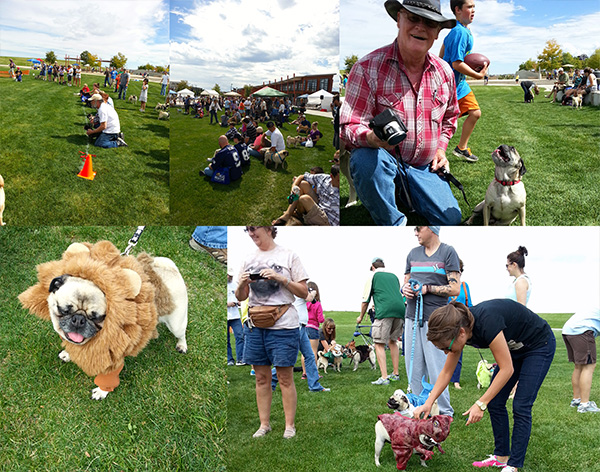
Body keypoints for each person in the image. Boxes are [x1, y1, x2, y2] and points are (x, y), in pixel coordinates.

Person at [340, 0, 461, 226]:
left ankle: (402, 193)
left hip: (425, 167)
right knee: (365, 160)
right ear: (399, 19)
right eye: (413, 18)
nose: (420, 27)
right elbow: (348, 125)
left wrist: (441, 149)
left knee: (451, 219)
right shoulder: (367, 67)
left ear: (437, 33)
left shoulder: (444, 71)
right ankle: (393, 221)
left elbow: (450, 117)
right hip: (386, 161)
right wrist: (370, 138)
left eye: (430, 23)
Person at [414, 299, 556, 472]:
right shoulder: (459, 326)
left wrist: (481, 403)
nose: (446, 352)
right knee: (496, 403)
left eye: (446, 348)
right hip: (515, 348)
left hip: (539, 345)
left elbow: (506, 369)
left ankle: (513, 465)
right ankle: (502, 457)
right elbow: (446, 373)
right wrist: (429, 402)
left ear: (461, 333)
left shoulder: (487, 322)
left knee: (521, 405)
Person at [235, 226, 309, 439]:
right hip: (256, 326)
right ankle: (264, 424)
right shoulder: (248, 258)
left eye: (254, 228)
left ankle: (289, 426)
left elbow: (303, 291)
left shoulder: (289, 255)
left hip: (284, 326)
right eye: (247, 230)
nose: (250, 233)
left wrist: (280, 278)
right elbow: (241, 297)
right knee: (260, 377)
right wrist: (241, 284)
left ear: (269, 228)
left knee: (285, 378)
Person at [401, 226, 460, 415]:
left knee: (436, 369)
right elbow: (406, 280)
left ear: (432, 229)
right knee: (414, 368)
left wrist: (427, 289)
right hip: (411, 317)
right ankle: (419, 408)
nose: (415, 232)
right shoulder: (412, 253)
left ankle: (444, 412)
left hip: (436, 321)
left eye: (419, 228)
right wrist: (405, 289)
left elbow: (454, 289)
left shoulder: (448, 252)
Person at [440, 0, 488, 162]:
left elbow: (443, 47)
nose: (473, 10)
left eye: (474, 7)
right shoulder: (459, 32)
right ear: (457, 10)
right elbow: (456, 63)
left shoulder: (463, 30)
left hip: (459, 84)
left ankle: (461, 148)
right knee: (441, 122)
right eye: (469, 7)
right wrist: (479, 75)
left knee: (475, 113)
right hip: (450, 85)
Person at [356, 257, 405, 385]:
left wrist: (361, 317)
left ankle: (384, 377)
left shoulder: (373, 277)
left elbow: (365, 300)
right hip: (400, 311)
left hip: (384, 311)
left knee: (378, 344)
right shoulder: (394, 276)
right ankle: (395, 373)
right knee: (393, 341)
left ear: (373, 267)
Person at [272, 165, 340, 226]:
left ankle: (294, 216)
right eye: (338, 180)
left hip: (328, 222)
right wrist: (294, 186)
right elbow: (302, 176)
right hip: (320, 208)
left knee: (304, 199)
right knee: (303, 184)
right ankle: (290, 214)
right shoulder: (324, 178)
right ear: (331, 176)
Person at [562, 307, 600, 413]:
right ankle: (584, 405)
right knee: (588, 366)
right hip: (581, 330)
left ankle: (577, 400)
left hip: (569, 330)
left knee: (579, 366)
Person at [448, 258, 473, 389]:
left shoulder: (464, 286)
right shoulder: (443, 287)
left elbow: (470, 304)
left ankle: (455, 380)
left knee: (458, 351)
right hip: (446, 323)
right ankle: (441, 378)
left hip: (460, 323)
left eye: (459, 271)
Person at [227, 267, 245, 366]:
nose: (230, 277)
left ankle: (240, 358)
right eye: (229, 275)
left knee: (240, 336)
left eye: (231, 276)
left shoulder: (235, 285)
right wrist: (227, 304)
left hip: (235, 315)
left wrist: (238, 302)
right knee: (227, 339)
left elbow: (239, 296)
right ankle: (229, 359)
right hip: (226, 314)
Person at [306, 281, 325, 365]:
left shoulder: (304, 304)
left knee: (305, 352)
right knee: (313, 351)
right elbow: (320, 320)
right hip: (313, 328)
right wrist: (323, 317)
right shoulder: (317, 304)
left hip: (304, 328)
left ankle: (304, 373)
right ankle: (313, 373)